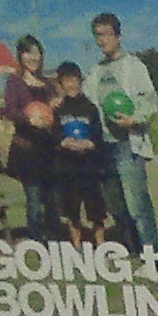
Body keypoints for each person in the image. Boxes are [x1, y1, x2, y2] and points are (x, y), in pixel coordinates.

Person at [88, 11, 158, 262]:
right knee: (117, 207)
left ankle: (152, 255)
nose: (101, 40)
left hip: (127, 145)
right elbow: (87, 102)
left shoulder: (134, 66)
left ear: (118, 36)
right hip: (104, 147)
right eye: (97, 35)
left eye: (106, 34)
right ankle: (133, 251)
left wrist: (134, 119)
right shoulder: (96, 71)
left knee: (137, 206)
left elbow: (150, 101)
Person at [46, 62, 118, 245]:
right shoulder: (58, 109)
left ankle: (100, 244)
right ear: (60, 84)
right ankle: (76, 245)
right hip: (67, 166)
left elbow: (98, 137)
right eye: (66, 81)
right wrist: (63, 142)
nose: (71, 85)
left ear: (80, 81)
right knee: (72, 210)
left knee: (96, 209)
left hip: (89, 167)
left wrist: (90, 144)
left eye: (74, 80)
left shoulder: (90, 108)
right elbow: (53, 136)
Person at [1, 31, 63, 240]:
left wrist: (56, 105)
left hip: (48, 150)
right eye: (28, 53)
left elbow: (53, 113)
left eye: (37, 53)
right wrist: (28, 120)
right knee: (34, 198)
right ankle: (37, 240)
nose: (33, 58)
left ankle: (55, 239)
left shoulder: (48, 84)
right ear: (20, 55)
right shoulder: (15, 81)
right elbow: (10, 110)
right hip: (27, 151)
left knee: (53, 199)